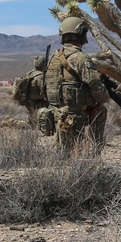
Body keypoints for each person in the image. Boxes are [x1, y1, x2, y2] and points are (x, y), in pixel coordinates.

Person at [44, 16, 110, 149]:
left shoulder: (54, 57)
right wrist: (103, 98)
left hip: (55, 112)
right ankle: (94, 152)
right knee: (101, 110)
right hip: (74, 115)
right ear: (81, 34)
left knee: (64, 151)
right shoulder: (80, 57)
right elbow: (95, 84)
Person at [12, 55, 49, 127]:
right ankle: (10, 122)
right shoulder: (41, 76)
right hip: (38, 103)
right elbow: (44, 92)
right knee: (36, 124)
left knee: (33, 122)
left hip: (29, 102)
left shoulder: (30, 73)